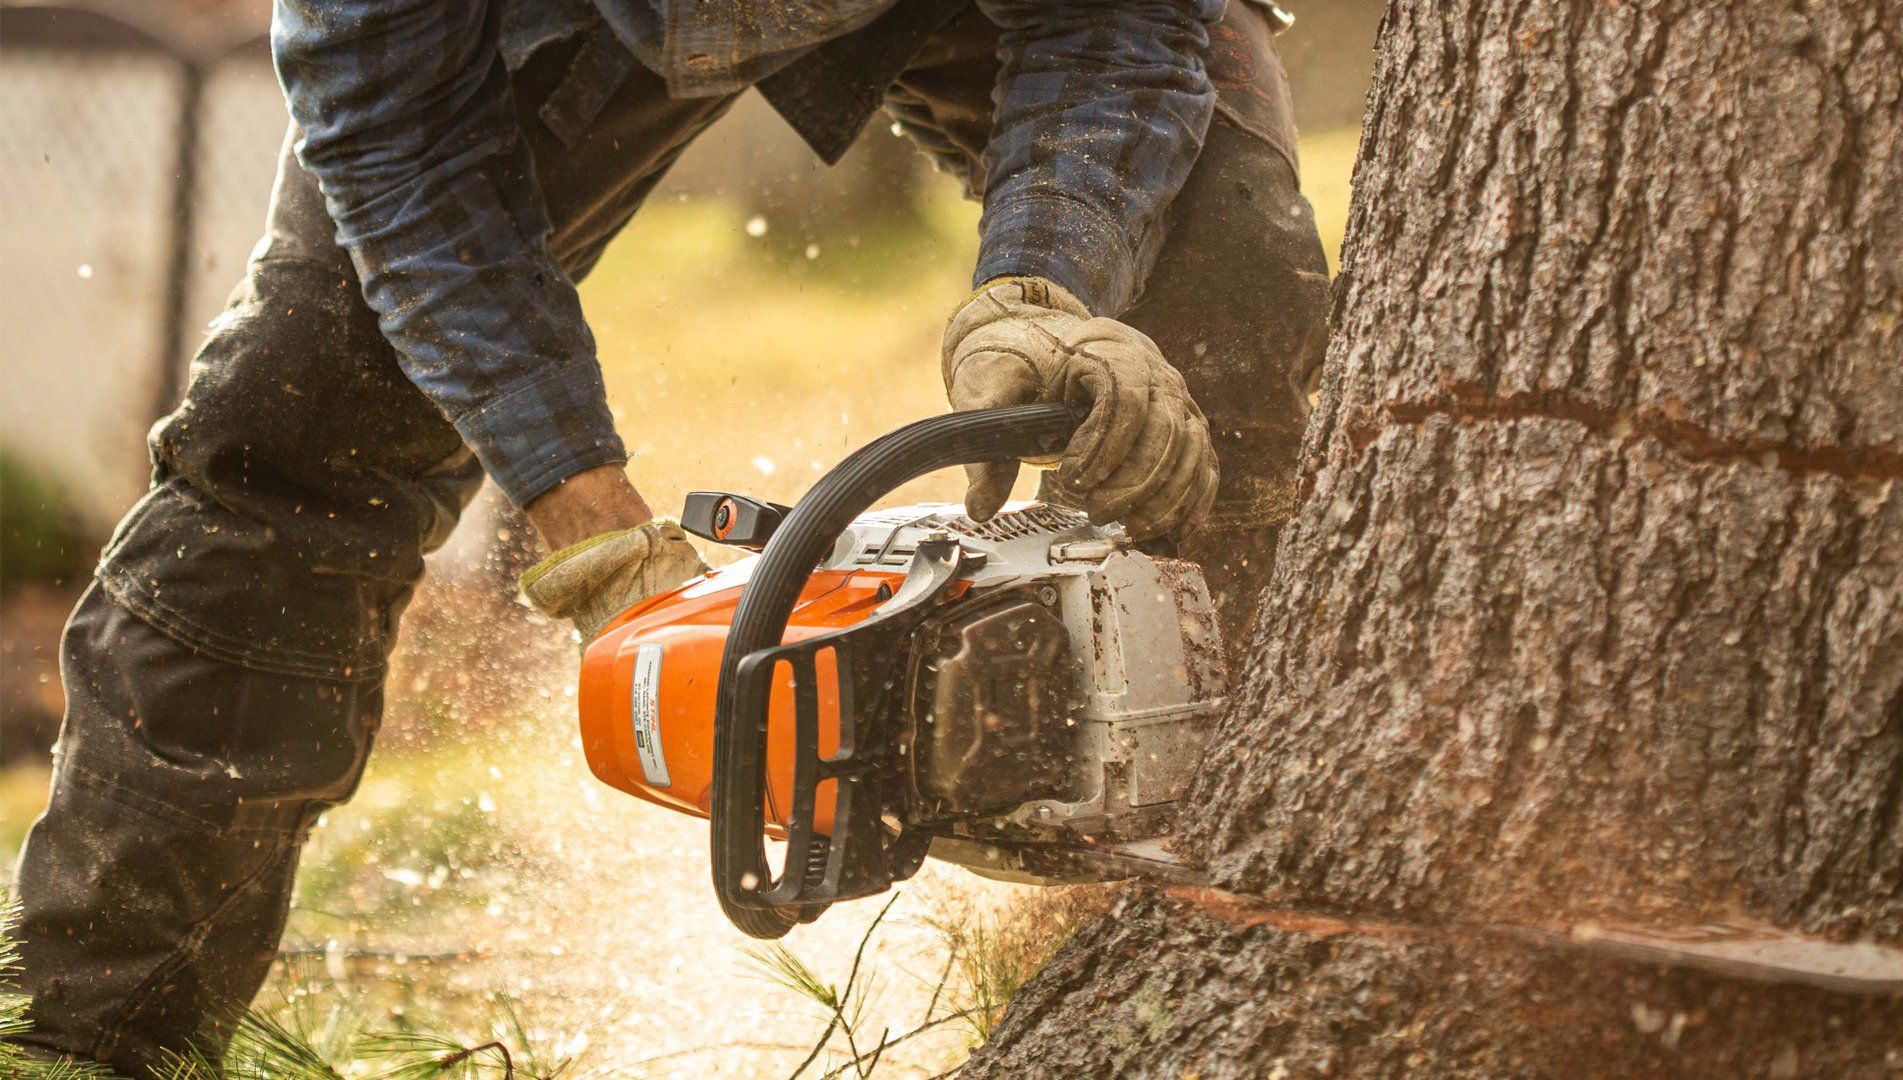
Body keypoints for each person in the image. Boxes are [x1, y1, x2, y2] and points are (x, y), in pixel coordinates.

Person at [4, 0, 1330, 1072]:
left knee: (1224, 320)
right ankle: (102, 1026)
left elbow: (1122, 21)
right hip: (545, 30)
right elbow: (394, 135)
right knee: (292, 453)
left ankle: (1223, 945)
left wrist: (1045, 287)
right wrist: (584, 515)